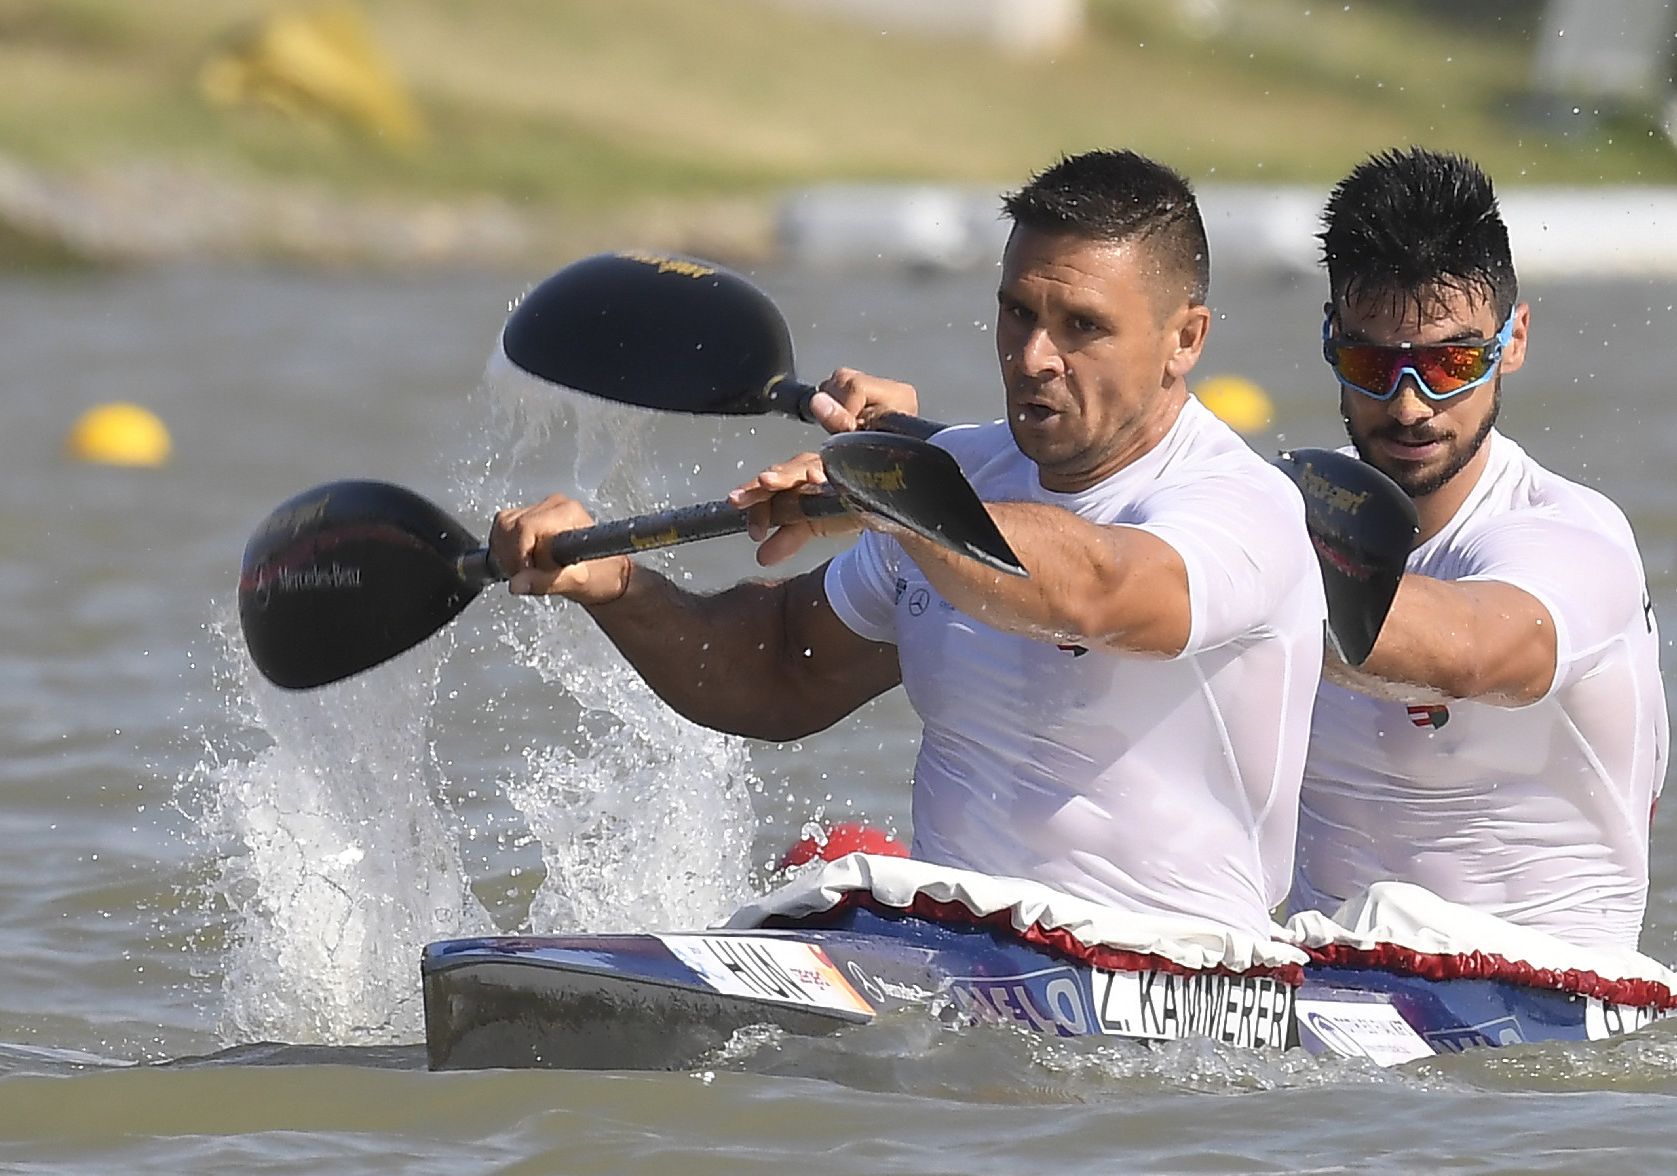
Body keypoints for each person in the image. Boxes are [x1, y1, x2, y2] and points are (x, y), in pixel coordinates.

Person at [490, 151, 1326, 931]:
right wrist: (618, 586)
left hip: (1181, 994)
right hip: (958, 962)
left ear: (1186, 339)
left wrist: (887, 496)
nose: (1034, 355)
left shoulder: (1244, 505)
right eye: (1017, 312)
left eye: (1083, 326)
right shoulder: (947, 479)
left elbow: (1099, 591)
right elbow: (776, 671)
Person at [1290, 148, 1669, 951]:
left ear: (1515, 339)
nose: (1410, 404)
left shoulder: (1575, 540)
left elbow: (1467, 651)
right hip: (1322, 984)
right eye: (1371, 362)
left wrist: (1227, 594)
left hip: (1542, 1025)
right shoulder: (1287, 520)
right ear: (1330, 342)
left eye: (1451, 363)